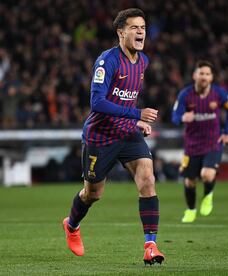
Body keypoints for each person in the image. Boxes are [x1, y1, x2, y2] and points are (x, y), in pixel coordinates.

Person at [62, 8, 164, 265]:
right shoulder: (107, 61)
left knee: (148, 180)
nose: (140, 31)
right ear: (121, 32)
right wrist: (137, 113)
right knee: (93, 194)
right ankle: (72, 224)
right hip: (101, 137)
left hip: (127, 133)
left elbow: (126, 97)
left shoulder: (143, 61)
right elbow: (97, 103)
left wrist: (136, 121)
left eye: (143, 27)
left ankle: (150, 245)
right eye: (134, 27)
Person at [172, 60, 228, 223]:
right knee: (189, 181)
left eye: (207, 74)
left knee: (207, 175)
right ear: (195, 75)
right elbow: (175, 117)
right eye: (201, 73)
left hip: (213, 142)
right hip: (192, 145)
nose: (204, 77)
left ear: (212, 77)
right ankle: (191, 210)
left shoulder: (219, 94)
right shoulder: (185, 95)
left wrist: (227, 131)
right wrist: (182, 118)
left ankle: (208, 195)